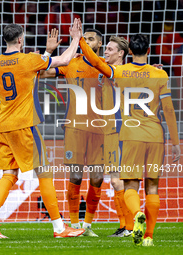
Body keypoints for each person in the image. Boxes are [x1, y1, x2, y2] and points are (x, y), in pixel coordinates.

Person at [0, 20, 85, 239]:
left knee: (9, 174)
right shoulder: (29, 59)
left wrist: (46, 53)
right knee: (45, 173)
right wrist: (76, 38)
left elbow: (26, 79)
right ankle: (59, 227)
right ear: (20, 39)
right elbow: (65, 60)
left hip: (4, 126)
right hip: (24, 125)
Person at [79, 32, 180, 246]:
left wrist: (80, 40)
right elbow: (169, 111)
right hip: (155, 135)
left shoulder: (120, 71)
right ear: (150, 51)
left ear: (130, 51)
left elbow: (96, 61)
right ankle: (149, 238)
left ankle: (135, 216)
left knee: (129, 185)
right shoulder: (160, 75)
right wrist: (176, 144)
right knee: (152, 187)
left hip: (130, 134)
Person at [40, 28, 106, 237]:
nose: (85, 41)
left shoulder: (105, 66)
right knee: (76, 176)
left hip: (99, 130)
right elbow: (42, 72)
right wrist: (47, 53)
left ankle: (87, 225)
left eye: (90, 39)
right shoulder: (71, 62)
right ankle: (75, 224)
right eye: (83, 38)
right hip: (75, 128)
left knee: (97, 178)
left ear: (99, 45)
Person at [98, 36, 134, 237]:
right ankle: (125, 226)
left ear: (121, 53)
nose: (106, 51)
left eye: (110, 49)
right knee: (115, 180)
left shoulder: (119, 72)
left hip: (120, 129)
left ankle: (129, 226)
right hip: (110, 129)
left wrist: (80, 43)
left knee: (119, 180)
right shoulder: (108, 69)